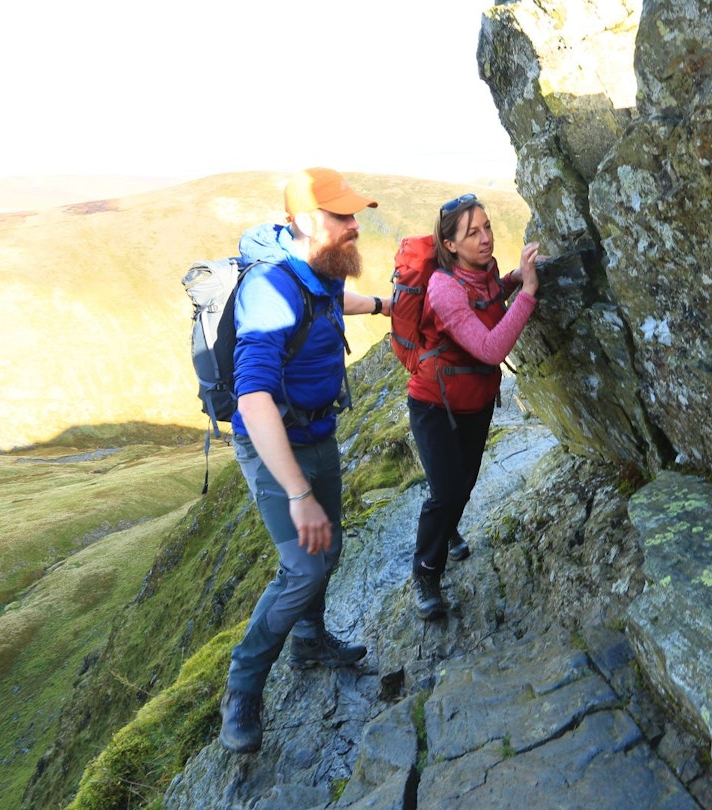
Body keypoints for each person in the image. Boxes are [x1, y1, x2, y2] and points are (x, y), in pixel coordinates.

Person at [218, 167, 393, 754]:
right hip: (274, 445)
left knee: (332, 546)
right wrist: (297, 493)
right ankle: (243, 686)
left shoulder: (313, 272)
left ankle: (310, 640)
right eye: (343, 218)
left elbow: (329, 299)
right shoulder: (268, 288)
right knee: (305, 568)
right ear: (305, 221)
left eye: (353, 216)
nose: (354, 227)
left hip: (318, 430)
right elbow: (253, 396)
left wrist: (384, 304)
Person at [408, 193, 539, 620]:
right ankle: (426, 572)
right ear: (449, 245)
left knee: (462, 486)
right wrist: (530, 293)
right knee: (445, 492)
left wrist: (515, 277)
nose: (486, 239)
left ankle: (447, 533)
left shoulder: (485, 270)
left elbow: (486, 299)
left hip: (476, 401)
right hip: (435, 404)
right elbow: (489, 347)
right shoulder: (442, 288)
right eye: (472, 233)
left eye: (487, 228)